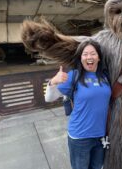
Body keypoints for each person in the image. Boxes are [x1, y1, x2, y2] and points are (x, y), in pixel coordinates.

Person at [45, 40, 111, 169]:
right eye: (85, 54)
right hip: (80, 137)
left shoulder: (105, 77)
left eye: (93, 54)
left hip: (101, 136)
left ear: (98, 57)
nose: (89, 57)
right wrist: (53, 82)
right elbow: (49, 98)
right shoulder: (73, 76)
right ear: (80, 58)